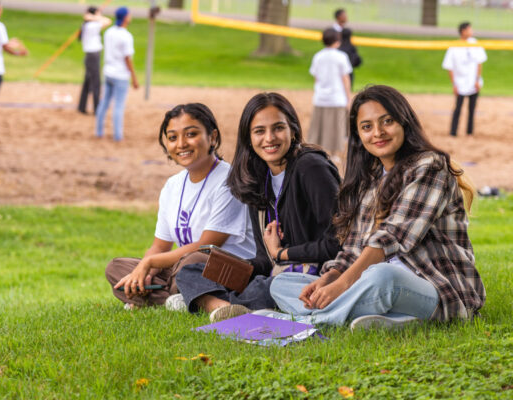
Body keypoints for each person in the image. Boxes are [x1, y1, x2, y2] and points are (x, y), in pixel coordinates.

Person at [270, 85, 485, 329]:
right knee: (283, 283)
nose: (378, 133)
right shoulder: (369, 180)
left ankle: (310, 321)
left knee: (383, 276)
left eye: (388, 121)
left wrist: (343, 285)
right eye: (367, 127)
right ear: (359, 136)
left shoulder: (430, 166)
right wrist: (330, 278)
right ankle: (395, 321)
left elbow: (391, 236)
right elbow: (353, 249)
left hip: (433, 287)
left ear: (404, 122)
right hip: (372, 285)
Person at [174, 93, 342, 322]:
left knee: (270, 287)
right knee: (193, 269)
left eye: (278, 128)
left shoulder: (311, 167)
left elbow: (338, 242)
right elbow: (265, 260)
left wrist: (283, 253)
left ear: (292, 129)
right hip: (275, 273)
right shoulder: (257, 177)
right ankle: (223, 305)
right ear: (249, 137)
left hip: (310, 277)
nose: (269, 138)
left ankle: (208, 301)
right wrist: (235, 268)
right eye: (259, 131)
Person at [106, 103, 256, 309]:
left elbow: (207, 246)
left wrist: (150, 263)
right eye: (173, 137)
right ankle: (179, 299)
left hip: (225, 268)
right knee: (117, 268)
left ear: (212, 137)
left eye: (191, 134)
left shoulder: (229, 180)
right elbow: (159, 246)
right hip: (181, 269)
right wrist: (143, 274)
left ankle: (167, 298)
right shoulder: (172, 185)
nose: (181, 144)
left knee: (193, 261)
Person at [95, 7, 139, 140]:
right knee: (118, 105)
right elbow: (127, 58)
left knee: (104, 102)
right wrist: (134, 77)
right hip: (120, 74)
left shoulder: (109, 32)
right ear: (125, 17)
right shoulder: (126, 36)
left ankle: (99, 131)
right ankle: (118, 135)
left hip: (108, 71)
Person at [308, 28, 352, 156]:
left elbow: (316, 77)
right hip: (337, 98)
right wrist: (348, 97)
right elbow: (345, 79)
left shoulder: (318, 56)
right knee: (336, 128)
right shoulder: (341, 57)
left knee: (319, 127)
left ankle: (318, 152)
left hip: (321, 98)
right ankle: (334, 154)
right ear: (337, 41)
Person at [442, 22, 487, 137]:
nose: (471, 31)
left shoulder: (475, 43)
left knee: (472, 109)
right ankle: (453, 132)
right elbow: (449, 67)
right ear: (463, 31)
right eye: (469, 29)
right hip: (460, 83)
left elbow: (479, 63)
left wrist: (477, 79)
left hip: (473, 82)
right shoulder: (454, 47)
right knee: (458, 108)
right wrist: (454, 84)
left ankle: (469, 132)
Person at [77, 6, 111, 115]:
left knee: (87, 82)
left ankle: (81, 107)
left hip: (89, 56)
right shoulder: (93, 25)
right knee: (96, 83)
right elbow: (108, 21)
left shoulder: (87, 24)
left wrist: (92, 16)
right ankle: (97, 109)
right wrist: (95, 16)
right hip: (93, 56)